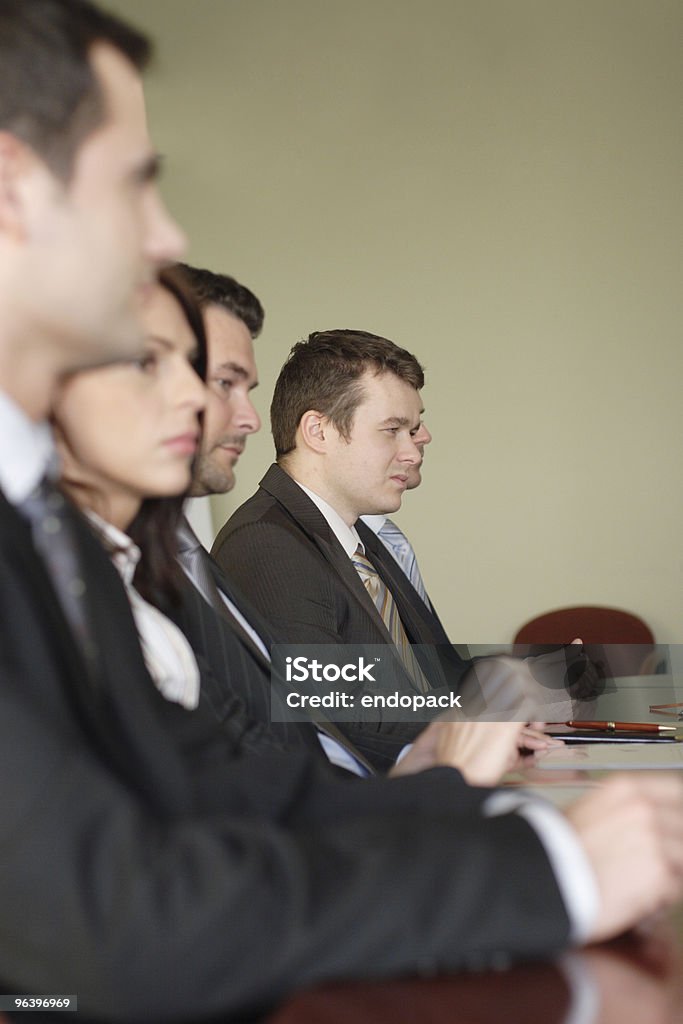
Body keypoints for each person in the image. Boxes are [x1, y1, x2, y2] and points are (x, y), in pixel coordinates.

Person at [2, 3, 683, 1017]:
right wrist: (495, 747)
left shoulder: (370, 546)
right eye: (395, 430)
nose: (417, 448)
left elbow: (434, 676)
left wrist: (596, 677)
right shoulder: (267, 545)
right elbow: (344, 697)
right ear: (317, 432)